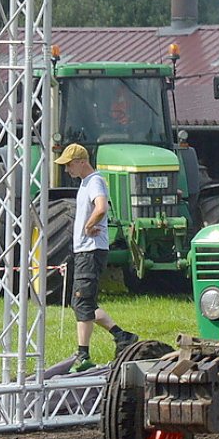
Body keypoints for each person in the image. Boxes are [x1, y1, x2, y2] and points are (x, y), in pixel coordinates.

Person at [56, 143, 137, 372]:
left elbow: (101, 207)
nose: (66, 169)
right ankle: (122, 336)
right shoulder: (86, 183)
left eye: (69, 164)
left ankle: (84, 354)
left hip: (91, 251)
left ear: (82, 161)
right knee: (82, 303)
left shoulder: (95, 182)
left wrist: (89, 226)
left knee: (82, 302)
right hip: (85, 251)